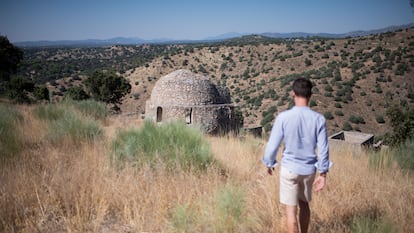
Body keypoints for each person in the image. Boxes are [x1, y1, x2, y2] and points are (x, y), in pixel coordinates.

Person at [261, 77, 330, 233]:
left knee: (291, 211)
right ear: (310, 95)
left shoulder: (283, 118)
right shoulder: (318, 119)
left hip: (289, 170)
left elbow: (272, 145)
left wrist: (269, 163)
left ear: (293, 93)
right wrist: (323, 174)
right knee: (304, 205)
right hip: (308, 170)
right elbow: (324, 149)